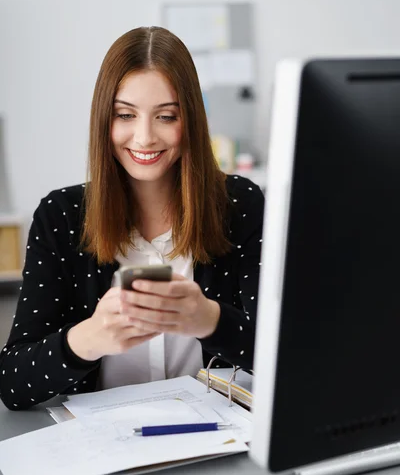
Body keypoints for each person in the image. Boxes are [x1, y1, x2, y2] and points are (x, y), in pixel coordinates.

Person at [0, 26, 264, 410]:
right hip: (105, 447)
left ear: (190, 120)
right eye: (125, 114)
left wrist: (210, 319)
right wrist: (87, 339)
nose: (144, 138)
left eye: (166, 116)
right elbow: (12, 384)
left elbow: (285, 357)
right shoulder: (61, 216)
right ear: (104, 119)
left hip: (217, 444)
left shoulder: (239, 203)